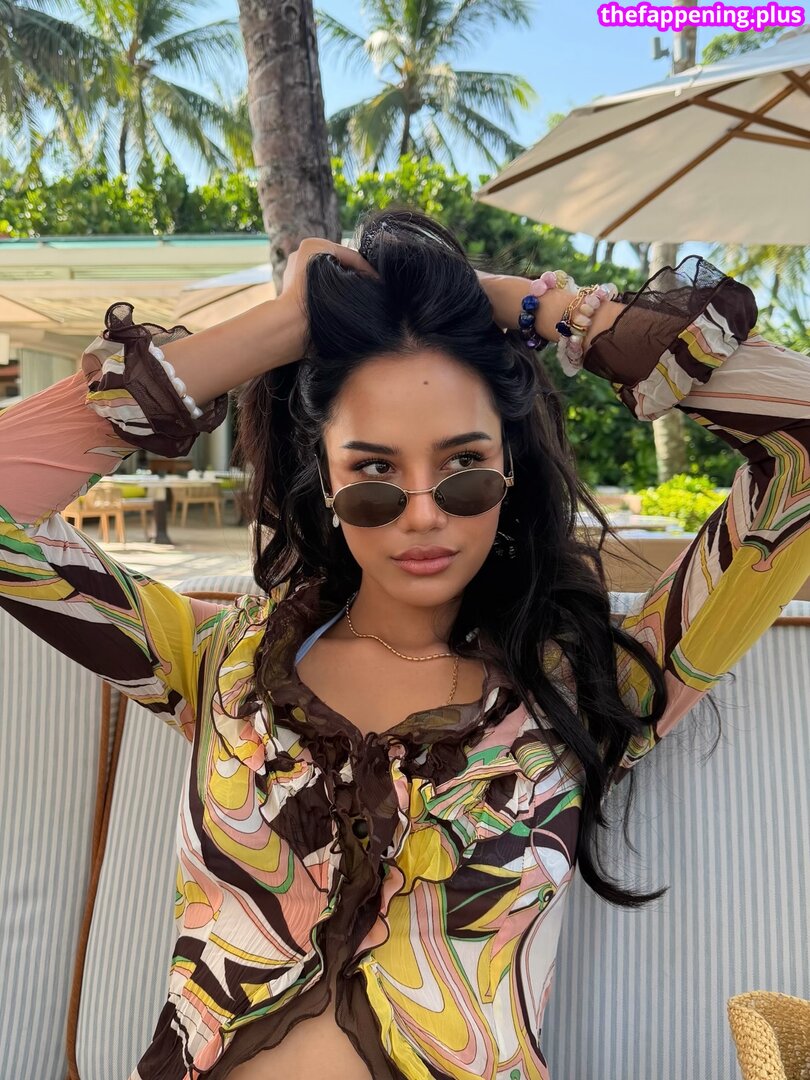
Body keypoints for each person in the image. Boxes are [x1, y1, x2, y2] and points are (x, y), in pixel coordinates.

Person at [0, 208, 808, 1080]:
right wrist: (281, 327)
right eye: (375, 474)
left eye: (463, 469)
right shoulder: (217, 661)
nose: (423, 515)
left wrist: (542, 309)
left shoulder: (590, 684)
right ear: (325, 478)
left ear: (509, 470)